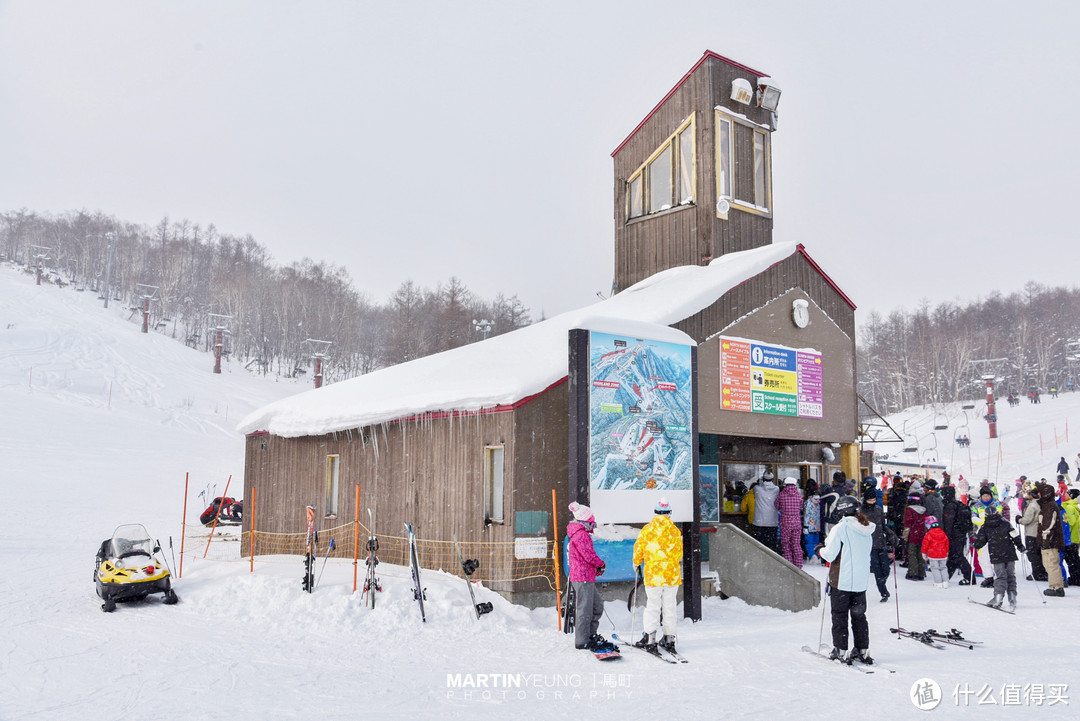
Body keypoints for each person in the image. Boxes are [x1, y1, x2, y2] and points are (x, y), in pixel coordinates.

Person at [819, 495, 876, 665]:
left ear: (842, 510)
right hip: (860, 581)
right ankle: (862, 650)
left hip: (842, 580)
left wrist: (821, 550)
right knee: (859, 617)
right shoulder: (867, 528)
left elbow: (830, 554)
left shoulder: (841, 528)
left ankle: (840, 650)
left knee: (839, 616)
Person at [632, 497, 683, 652]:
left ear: (655, 512)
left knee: (653, 607)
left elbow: (639, 549)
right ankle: (669, 639)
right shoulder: (674, 530)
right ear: (669, 513)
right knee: (670, 607)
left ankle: (650, 638)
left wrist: (636, 563)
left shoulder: (648, 529)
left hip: (654, 575)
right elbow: (679, 554)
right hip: (671, 575)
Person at [566, 501, 612, 652]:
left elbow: (586, 557)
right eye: (592, 522)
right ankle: (582, 640)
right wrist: (600, 564)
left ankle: (590, 635)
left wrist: (596, 568)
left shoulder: (580, 534)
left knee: (596, 606)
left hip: (585, 576)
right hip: (582, 577)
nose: (593, 526)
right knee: (585, 610)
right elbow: (589, 555)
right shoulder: (581, 535)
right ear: (585, 522)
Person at [973, 506, 1025, 611]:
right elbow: (1015, 535)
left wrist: (975, 543)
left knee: (1000, 576)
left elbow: (981, 541)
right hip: (1009, 553)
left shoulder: (985, 527)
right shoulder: (1005, 524)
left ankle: (998, 597)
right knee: (1010, 575)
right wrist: (1020, 546)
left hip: (996, 555)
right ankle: (1012, 597)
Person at [862, 488, 897, 602]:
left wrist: (891, 534)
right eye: (870, 500)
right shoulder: (861, 511)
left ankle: (882, 583)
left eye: (874, 500)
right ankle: (884, 592)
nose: (872, 502)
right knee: (877, 570)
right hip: (869, 544)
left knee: (886, 569)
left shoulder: (878, 509)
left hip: (881, 542)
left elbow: (883, 525)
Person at [1036, 483, 1067, 597]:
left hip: (1050, 541)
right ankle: (1056, 585)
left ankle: (1056, 587)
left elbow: (1049, 524)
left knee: (1051, 564)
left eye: (1040, 492)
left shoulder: (1050, 506)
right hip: (1050, 540)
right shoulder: (1047, 505)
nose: (1038, 494)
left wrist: (1045, 538)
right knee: (1049, 564)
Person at [940, 485, 973, 585]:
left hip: (954, 535)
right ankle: (946, 576)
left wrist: (946, 536)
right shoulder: (957, 504)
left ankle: (970, 577)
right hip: (960, 533)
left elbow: (948, 522)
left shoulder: (949, 505)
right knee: (954, 555)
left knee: (957, 555)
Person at [1015, 484, 1048, 582]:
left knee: (1033, 554)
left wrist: (1020, 520)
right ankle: (1043, 572)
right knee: (1040, 553)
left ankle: (1037, 573)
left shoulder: (1033, 505)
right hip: (1041, 532)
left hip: (1032, 532)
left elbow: (1027, 520)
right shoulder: (1043, 504)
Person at [775, 477, 804, 568]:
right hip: (796, 523)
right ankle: (798, 565)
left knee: (786, 545)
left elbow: (776, 506)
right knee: (796, 544)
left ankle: (789, 566)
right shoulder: (798, 495)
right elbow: (801, 506)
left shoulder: (781, 495)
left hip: (785, 523)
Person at [903, 482, 928, 580]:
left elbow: (907, 524)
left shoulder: (910, 510)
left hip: (913, 535)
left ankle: (913, 573)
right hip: (923, 535)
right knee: (921, 554)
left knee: (912, 554)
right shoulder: (924, 510)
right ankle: (921, 573)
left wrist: (905, 537)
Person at [921, 516, 950, 588]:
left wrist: (924, 553)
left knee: (935, 568)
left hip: (933, 554)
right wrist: (946, 551)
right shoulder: (943, 533)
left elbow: (925, 544)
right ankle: (945, 581)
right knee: (943, 567)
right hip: (943, 554)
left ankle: (938, 582)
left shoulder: (929, 534)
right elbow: (947, 543)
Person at [1062, 489, 1080, 586]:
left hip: (1070, 539)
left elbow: (1071, 522)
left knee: (1072, 561)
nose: (1065, 495)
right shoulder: (1073, 506)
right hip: (1074, 537)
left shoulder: (1069, 507)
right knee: (1074, 560)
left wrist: (1065, 533)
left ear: (1071, 496)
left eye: (1067, 494)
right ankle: (1076, 578)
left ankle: (1075, 579)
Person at [803, 481, 821, 563]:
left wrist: (805, 526)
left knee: (809, 542)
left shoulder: (808, 502)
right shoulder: (820, 500)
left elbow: (807, 514)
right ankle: (817, 555)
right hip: (818, 525)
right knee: (816, 542)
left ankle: (812, 555)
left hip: (809, 525)